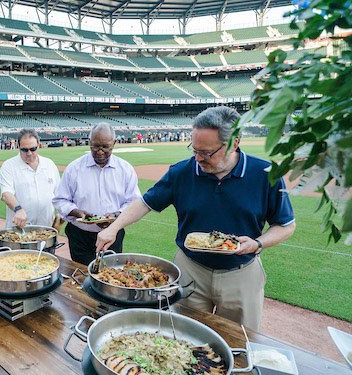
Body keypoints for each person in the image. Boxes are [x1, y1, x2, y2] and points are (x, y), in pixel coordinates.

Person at [96, 107, 296, 331]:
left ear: (234, 144)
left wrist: (258, 243)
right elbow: (145, 203)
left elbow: (285, 225)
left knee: (239, 339)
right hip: (190, 269)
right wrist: (114, 227)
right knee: (181, 334)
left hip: (242, 272)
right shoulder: (182, 172)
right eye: (194, 149)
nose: (198, 158)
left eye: (207, 153)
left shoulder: (266, 174)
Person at [52, 122, 140, 265]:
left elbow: (134, 202)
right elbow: (60, 200)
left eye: (105, 147)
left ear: (114, 143)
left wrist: (116, 216)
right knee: (82, 274)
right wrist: (77, 212)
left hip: (112, 234)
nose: (100, 152)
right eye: (95, 146)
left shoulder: (125, 169)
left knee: (110, 275)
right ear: (89, 143)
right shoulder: (74, 168)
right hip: (81, 236)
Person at [0, 129, 60, 229]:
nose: (29, 153)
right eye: (24, 150)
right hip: (20, 230)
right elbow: (6, 194)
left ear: (38, 145)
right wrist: (18, 209)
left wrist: (60, 215)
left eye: (33, 149)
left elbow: (59, 193)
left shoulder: (49, 164)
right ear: (18, 147)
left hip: (46, 229)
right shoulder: (9, 166)